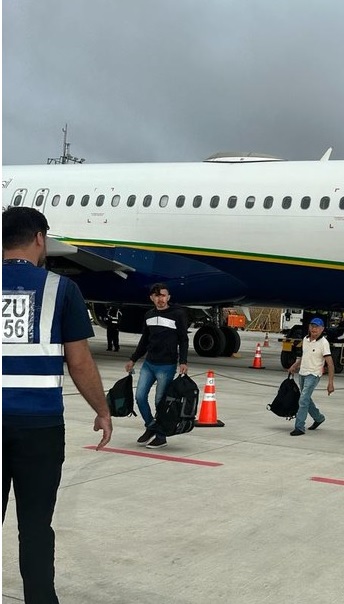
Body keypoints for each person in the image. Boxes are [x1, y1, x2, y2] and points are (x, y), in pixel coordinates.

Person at [2, 207, 113, 604]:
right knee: (34, 525)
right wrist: (102, 410)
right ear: (39, 239)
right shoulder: (60, 289)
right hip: (39, 426)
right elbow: (79, 360)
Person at [125, 283, 188, 449]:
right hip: (149, 364)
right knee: (139, 397)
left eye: (163, 295)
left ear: (169, 297)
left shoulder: (177, 314)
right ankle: (151, 426)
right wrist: (133, 359)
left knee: (160, 402)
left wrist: (183, 361)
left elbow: (183, 339)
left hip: (166, 366)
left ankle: (161, 437)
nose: (160, 299)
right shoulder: (149, 315)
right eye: (157, 296)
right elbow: (144, 341)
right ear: (152, 298)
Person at [287, 317, 335, 435]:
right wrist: (295, 365)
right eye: (312, 326)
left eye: (317, 327)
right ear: (308, 327)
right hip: (302, 372)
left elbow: (330, 364)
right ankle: (319, 418)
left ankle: (299, 427)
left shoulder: (324, 343)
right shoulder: (305, 339)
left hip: (313, 374)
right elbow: (305, 355)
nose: (314, 329)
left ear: (322, 329)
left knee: (303, 400)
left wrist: (330, 383)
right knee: (306, 399)